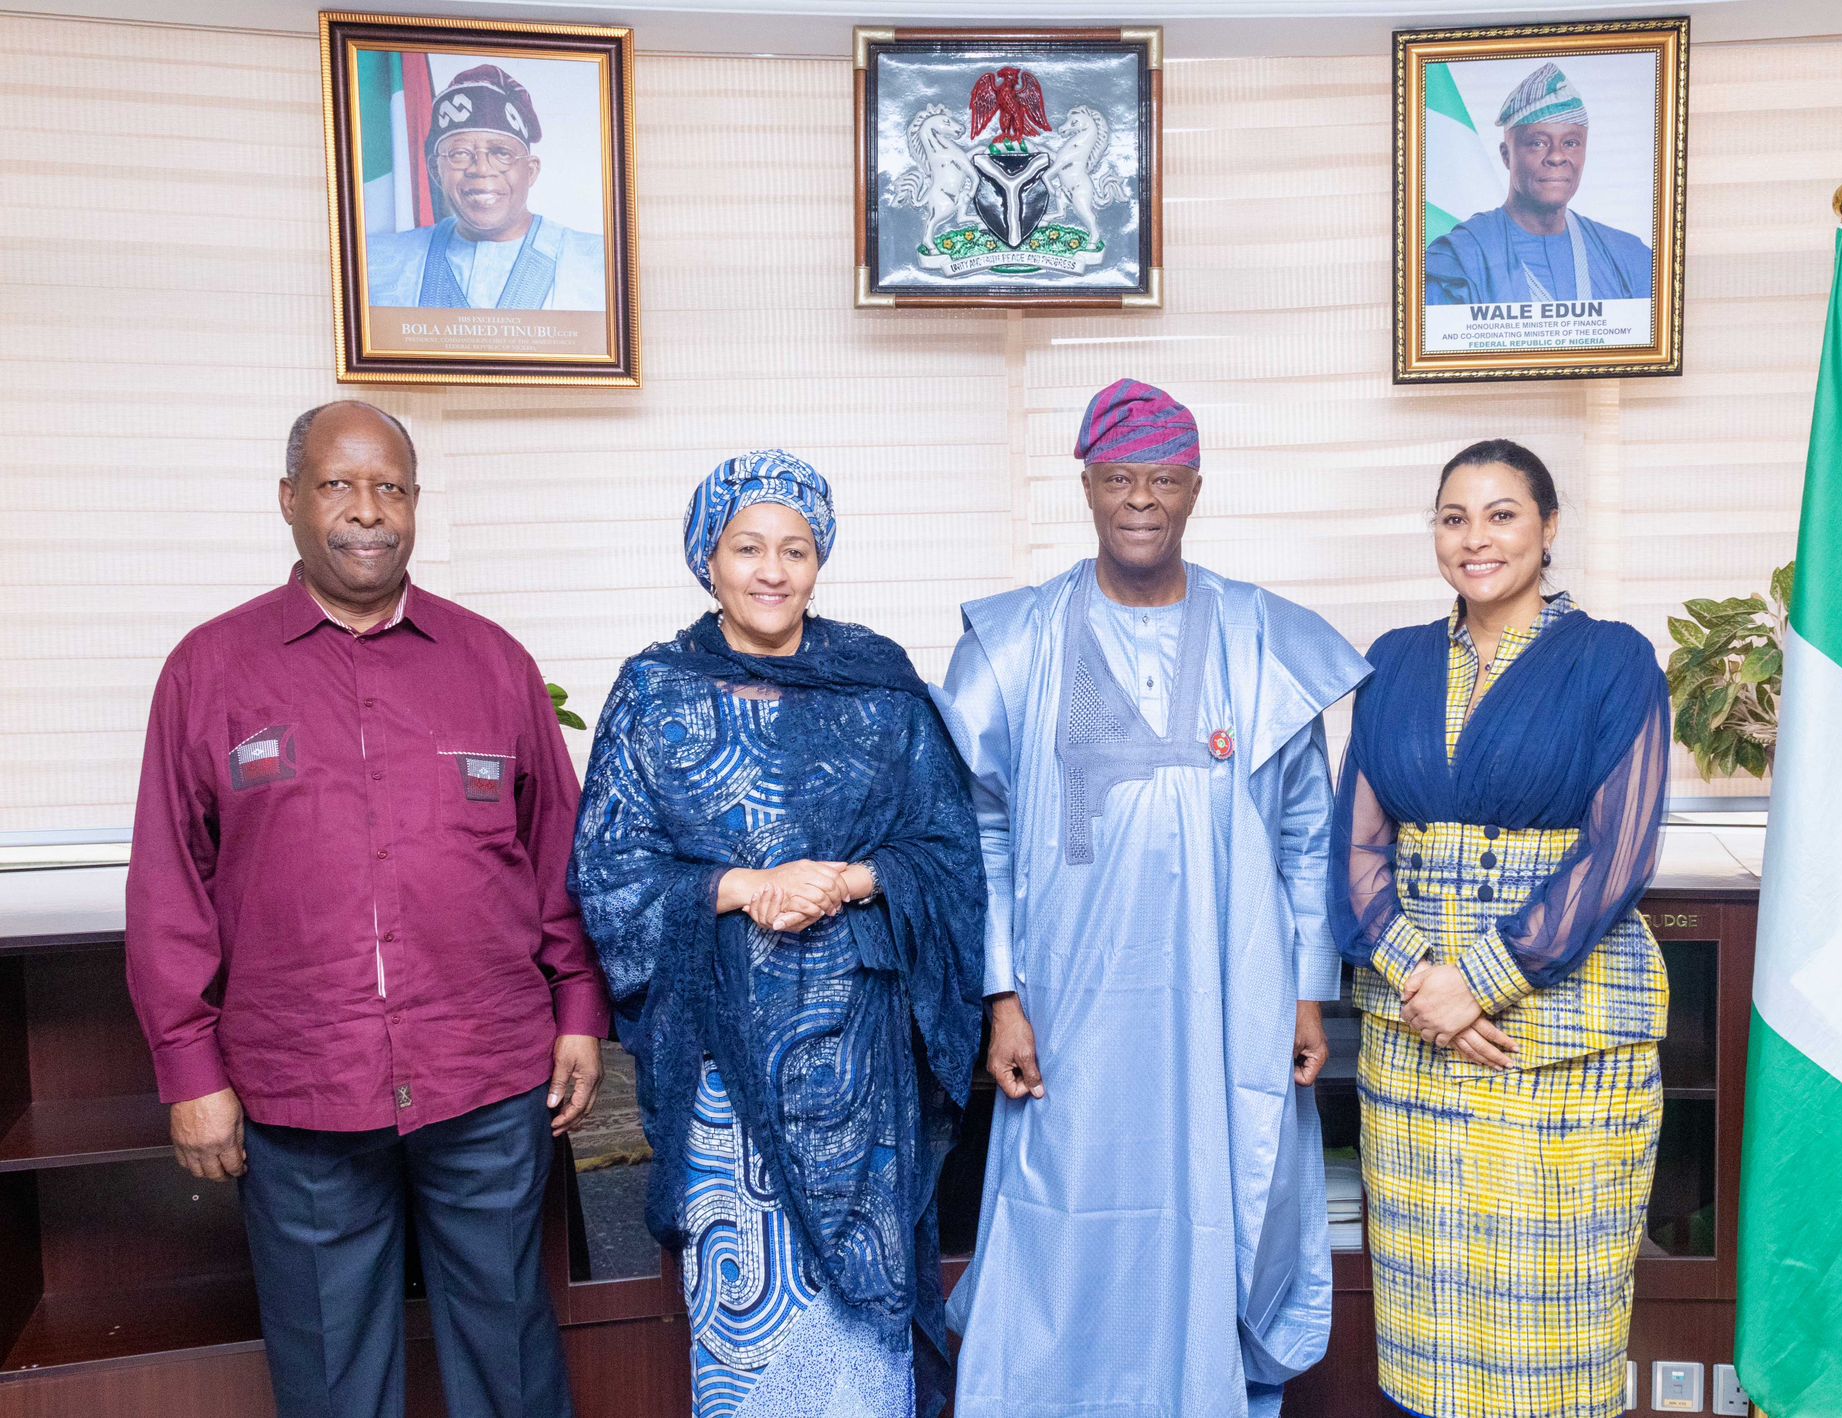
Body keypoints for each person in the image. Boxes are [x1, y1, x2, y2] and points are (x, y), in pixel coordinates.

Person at [126, 400, 607, 1418]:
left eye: (389, 486)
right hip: (299, 1086)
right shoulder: (210, 670)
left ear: (417, 504)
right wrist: (189, 1068)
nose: (366, 511)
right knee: (332, 1370)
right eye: (339, 485)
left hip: (485, 1075)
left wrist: (577, 1011)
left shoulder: (493, 664)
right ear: (290, 500)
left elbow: (557, 856)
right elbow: (171, 883)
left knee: (510, 1349)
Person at [938, 379, 1369, 1418]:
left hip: (1229, 990)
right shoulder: (1015, 641)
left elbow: (1308, 825)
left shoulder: (1259, 634)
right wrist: (1000, 994)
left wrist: (1308, 990)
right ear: (1084, 485)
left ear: (1194, 489)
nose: (1141, 499)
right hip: (1067, 998)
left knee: (1220, 1187)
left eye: (1163, 479)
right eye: (1119, 477)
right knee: (1065, 1201)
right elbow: (976, 830)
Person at [568, 450, 985, 1418]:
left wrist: (853, 879)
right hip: (727, 1078)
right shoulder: (655, 693)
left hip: (862, 1072)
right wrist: (745, 887)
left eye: (794, 548)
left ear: (819, 558)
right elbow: (608, 869)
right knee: (743, 1317)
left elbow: (949, 849)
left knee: (866, 1319)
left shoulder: (876, 684)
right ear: (704, 556)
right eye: (746, 546)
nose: (771, 569)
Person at [1331, 439, 1670, 1418]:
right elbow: (1353, 848)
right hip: (1412, 1039)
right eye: (1452, 516)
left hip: (1557, 1037)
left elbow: (1617, 848)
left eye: (1500, 513)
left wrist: (1474, 977)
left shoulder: (1611, 660)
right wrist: (1417, 978)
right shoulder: (1391, 660)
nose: (1473, 538)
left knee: (1550, 1337)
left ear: (1548, 527)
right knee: (1429, 1334)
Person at [367, 63, 607, 311]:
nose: (481, 169)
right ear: (436, 170)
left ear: (531, 171)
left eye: (501, 153)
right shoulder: (377, 263)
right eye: (460, 153)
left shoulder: (601, 263)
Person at [1424, 62, 1654, 306]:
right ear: (1506, 155)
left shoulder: (1629, 258)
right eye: (1538, 143)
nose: (1557, 156)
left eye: (1571, 143)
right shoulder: (1462, 259)